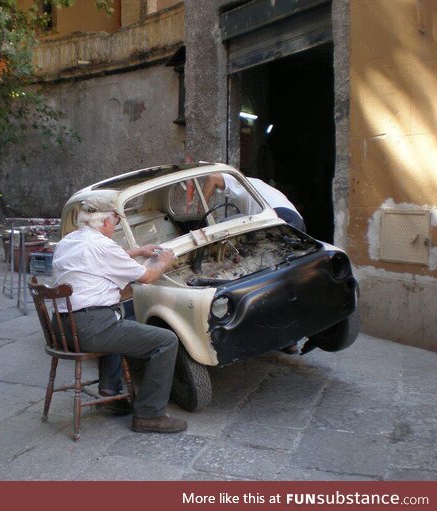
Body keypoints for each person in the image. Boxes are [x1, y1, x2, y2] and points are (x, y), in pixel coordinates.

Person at [51, 195, 188, 434]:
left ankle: (109, 391)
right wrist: (164, 261)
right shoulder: (102, 246)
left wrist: (137, 251)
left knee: (119, 315)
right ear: (105, 220)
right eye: (115, 220)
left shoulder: (69, 240)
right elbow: (146, 277)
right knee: (166, 341)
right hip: (90, 328)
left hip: (61, 328)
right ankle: (149, 415)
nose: (114, 226)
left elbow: (98, 259)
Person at [202, 172, 305, 354]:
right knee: (286, 280)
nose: (221, 189)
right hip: (295, 221)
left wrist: (199, 210)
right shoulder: (259, 188)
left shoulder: (238, 182)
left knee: (265, 282)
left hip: (277, 220)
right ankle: (292, 339)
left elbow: (212, 178)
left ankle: (272, 335)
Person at [203, 173, 306, 231]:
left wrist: (202, 208)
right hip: (298, 221)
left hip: (279, 216)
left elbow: (212, 178)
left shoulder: (241, 182)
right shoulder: (259, 186)